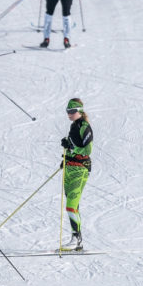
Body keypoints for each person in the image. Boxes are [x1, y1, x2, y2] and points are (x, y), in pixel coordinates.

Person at [60, 98, 93, 251]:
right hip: (70, 168)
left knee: (71, 206)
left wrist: (71, 148)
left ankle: (76, 239)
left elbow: (87, 150)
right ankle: (77, 240)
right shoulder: (73, 126)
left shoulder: (85, 126)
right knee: (74, 206)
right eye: (68, 111)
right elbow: (71, 145)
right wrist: (66, 155)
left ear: (79, 111)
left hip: (80, 169)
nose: (69, 114)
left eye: (72, 111)